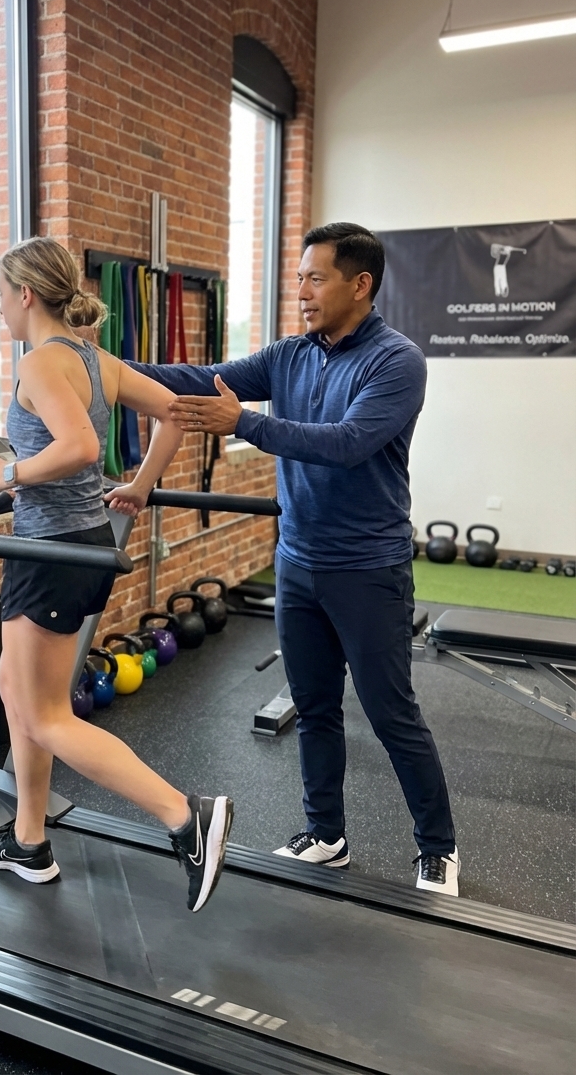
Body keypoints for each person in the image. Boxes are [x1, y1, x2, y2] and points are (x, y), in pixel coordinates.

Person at [130, 223, 459, 896]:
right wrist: (100, 367)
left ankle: (437, 847)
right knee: (313, 708)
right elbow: (197, 379)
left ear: (360, 285)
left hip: (368, 568)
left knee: (391, 712)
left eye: (316, 278)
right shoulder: (289, 355)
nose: (302, 291)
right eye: (299, 277)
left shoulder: (398, 361)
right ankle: (326, 834)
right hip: (299, 562)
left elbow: (347, 442)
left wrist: (243, 423)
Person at [0, 236, 233, 912]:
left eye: (1, 296)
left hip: (53, 553)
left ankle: (185, 816)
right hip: (77, 543)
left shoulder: (38, 367)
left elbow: (80, 447)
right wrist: (141, 486)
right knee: (14, 688)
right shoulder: (96, 360)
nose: (0, 309)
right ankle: (29, 841)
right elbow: (177, 411)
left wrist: (9, 474)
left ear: (25, 295)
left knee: (47, 716)